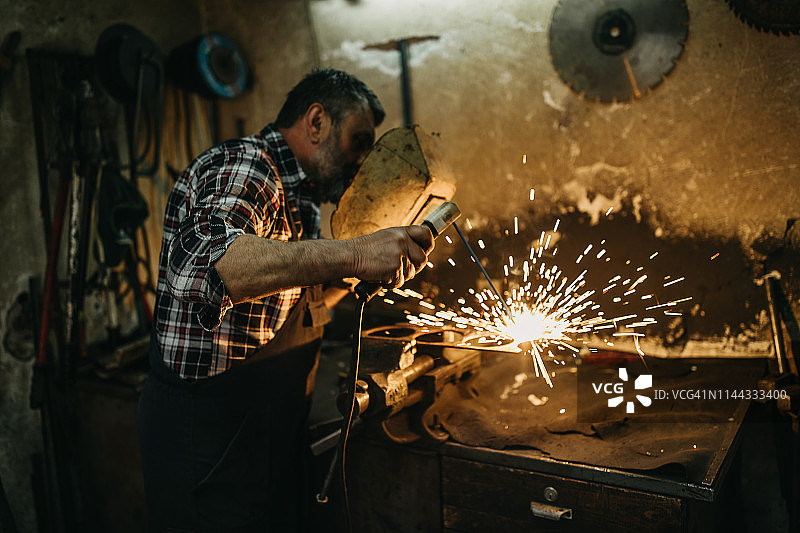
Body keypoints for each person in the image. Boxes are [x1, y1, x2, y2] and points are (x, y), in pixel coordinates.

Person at [137, 69, 434, 532]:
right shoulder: (246, 167)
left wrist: (360, 270)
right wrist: (356, 251)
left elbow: (286, 292)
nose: (361, 163)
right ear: (317, 121)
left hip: (266, 427)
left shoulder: (303, 195)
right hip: (210, 437)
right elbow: (204, 266)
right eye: (358, 142)